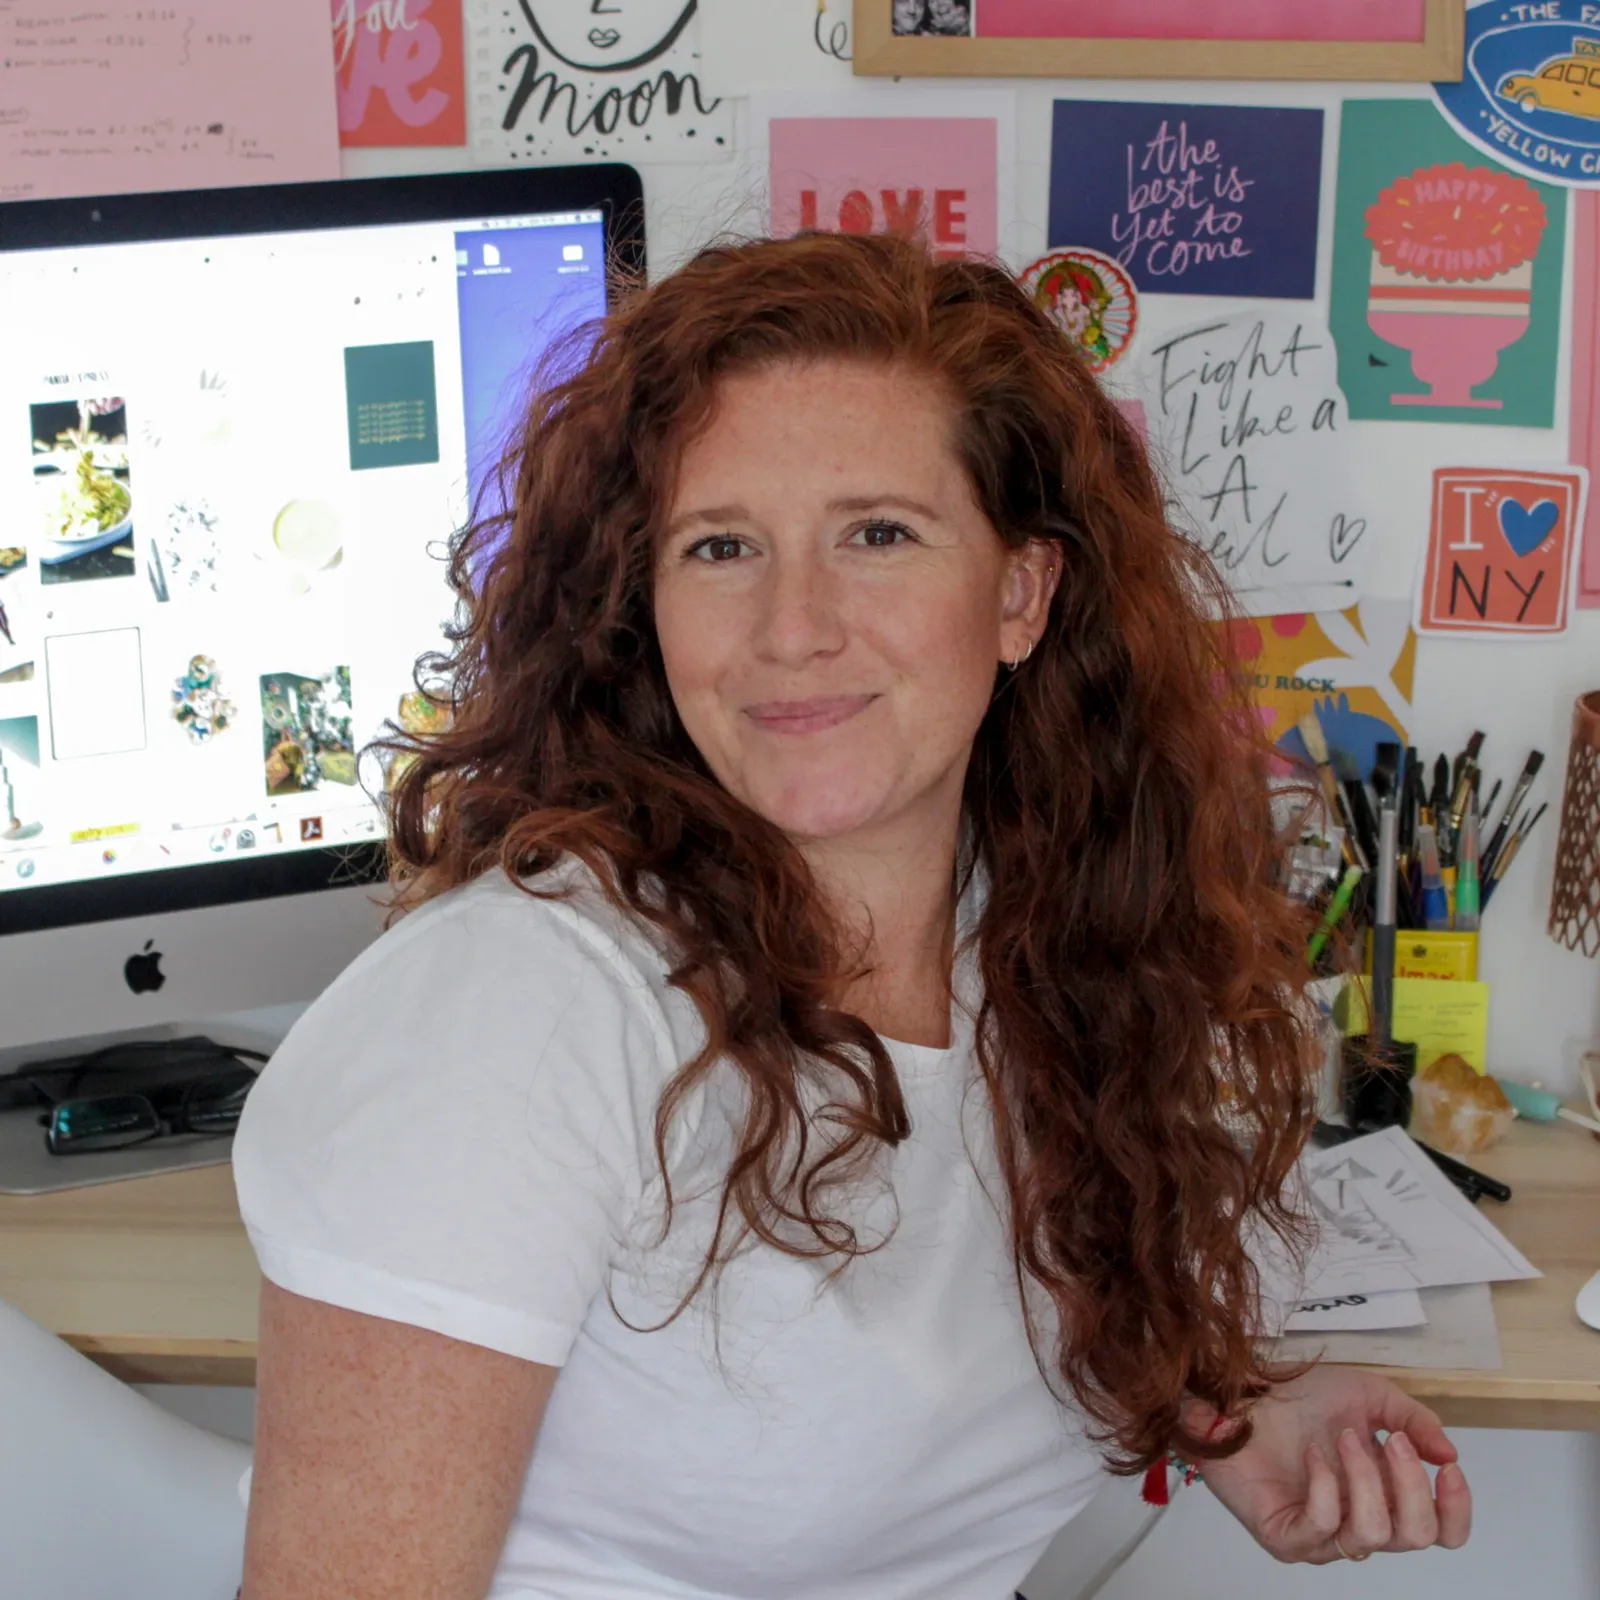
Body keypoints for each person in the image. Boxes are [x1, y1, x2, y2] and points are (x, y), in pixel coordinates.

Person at [233, 232, 1472, 1599]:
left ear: (1019, 592)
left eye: (877, 535)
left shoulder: (1048, 941)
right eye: (721, 547)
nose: (793, 626)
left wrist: (1232, 1415)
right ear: (642, 608)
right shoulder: (516, 1022)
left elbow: (929, 1334)